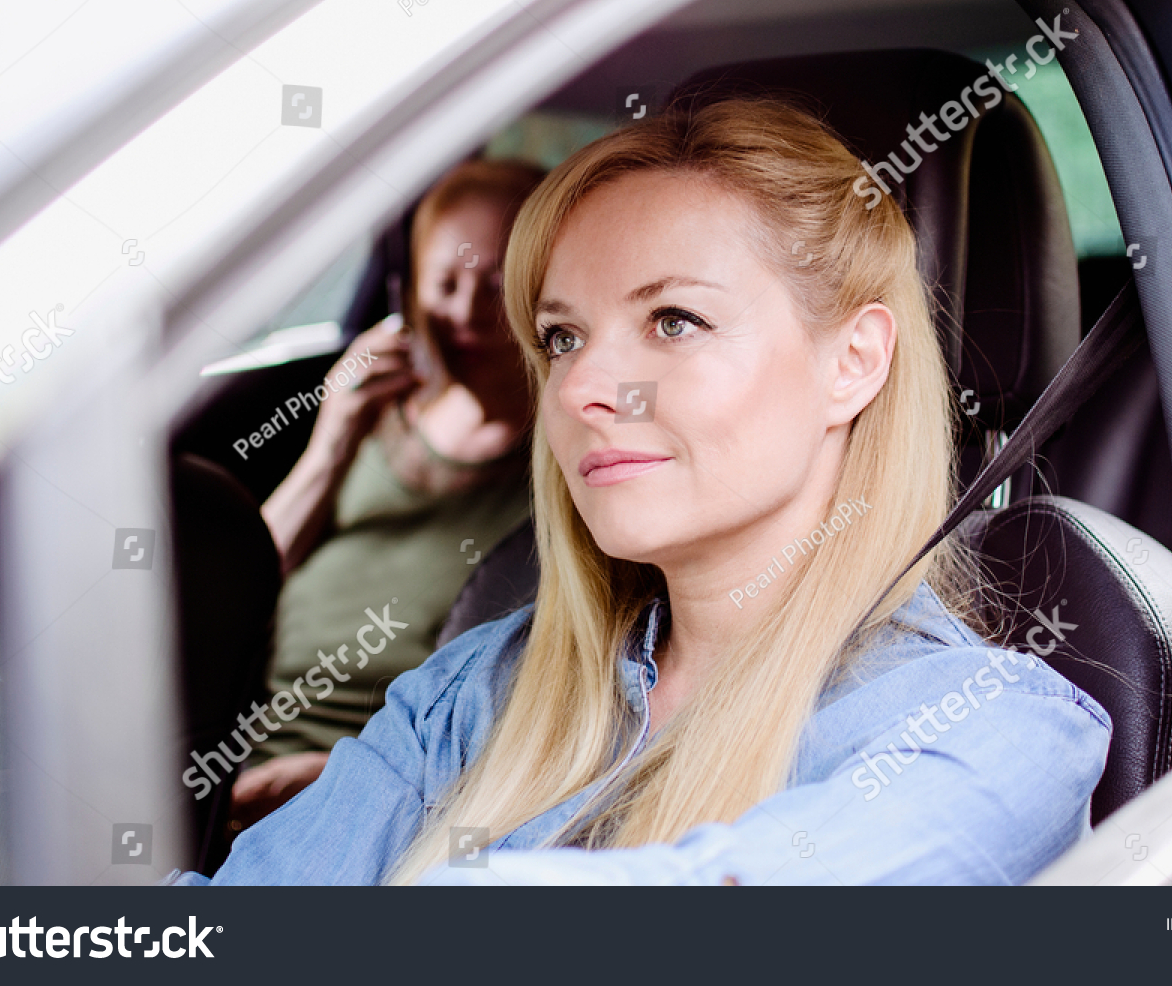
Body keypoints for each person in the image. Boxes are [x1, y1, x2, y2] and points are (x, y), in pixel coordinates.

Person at [185, 98, 1110, 884]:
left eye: (674, 320)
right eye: (562, 338)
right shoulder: (469, 695)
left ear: (853, 362)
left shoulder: (995, 730)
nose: (587, 389)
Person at [226, 159, 544, 828]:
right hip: (227, 742)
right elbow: (239, 584)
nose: (462, 312)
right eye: (445, 283)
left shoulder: (561, 463)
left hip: (361, 787)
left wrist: (339, 777)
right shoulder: (376, 410)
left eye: (492, 286)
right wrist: (330, 443)